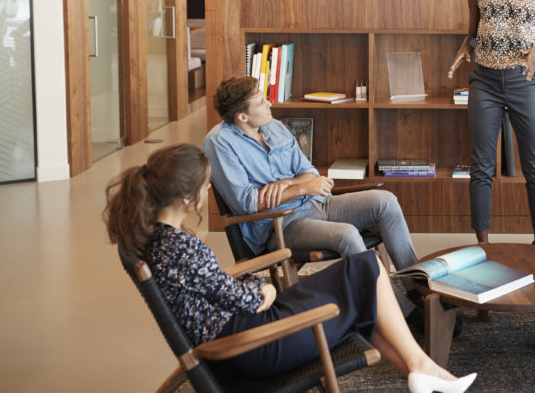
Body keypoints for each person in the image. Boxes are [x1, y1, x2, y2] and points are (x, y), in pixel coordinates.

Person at [104, 144, 475, 393]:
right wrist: (263, 290)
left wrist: (254, 290)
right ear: (186, 197)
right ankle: (424, 370)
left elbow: (214, 288)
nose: (206, 193)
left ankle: (421, 369)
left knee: (366, 269)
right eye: (204, 187)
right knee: (366, 271)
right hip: (253, 346)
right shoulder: (180, 247)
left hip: (240, 334)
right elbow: (244, 299)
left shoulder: (156, 238)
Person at [203, 76, 419, 274]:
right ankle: (388, 308)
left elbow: (310, 173)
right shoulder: (220, 143)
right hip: (282, 224)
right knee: (348, 234)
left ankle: (414, 290)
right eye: (261, 102)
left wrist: (287, 183)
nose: (270, 103)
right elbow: (246, 203)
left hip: (318, 203)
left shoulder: (274, 127)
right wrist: (303, 188)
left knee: (386, 202)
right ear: (242, 116)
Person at [447, 0, 535, 245]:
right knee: (481, 166)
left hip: (524, 82)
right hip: (485, 82)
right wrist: (466, 46)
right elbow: (472, 32)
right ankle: (483, 243)